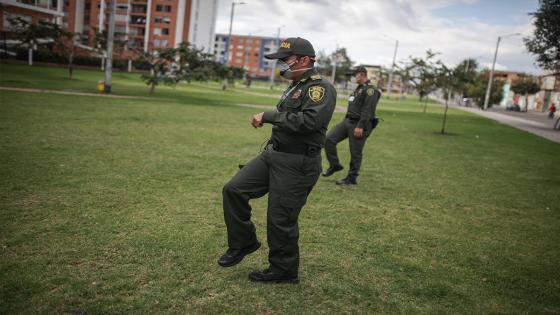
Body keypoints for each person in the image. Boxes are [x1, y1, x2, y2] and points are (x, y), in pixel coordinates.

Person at [218, 37, 337, 283]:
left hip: (298, 162)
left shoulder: (320, 88)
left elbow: (310, 122)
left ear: (305, 60)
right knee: (234, 189)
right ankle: (244, 243)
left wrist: (269, 116)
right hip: (274, 154)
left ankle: (283, 270)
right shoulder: (296, 85)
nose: (282, 65)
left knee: (280, 218)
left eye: (286, 60)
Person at [322, 66, 381, 185]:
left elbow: (368, 110)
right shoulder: (359, 88)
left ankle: (352, 177)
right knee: (329, 139)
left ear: (362, 75)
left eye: (354, 75)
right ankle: (335, 165)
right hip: (348, 121)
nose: (353, 78)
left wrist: (360, 126)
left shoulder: (370, 90)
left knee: (355, 152)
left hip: (359, 124)